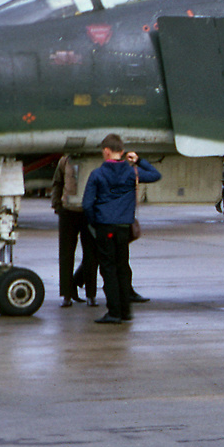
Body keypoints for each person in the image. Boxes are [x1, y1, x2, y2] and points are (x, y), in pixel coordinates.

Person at [80, 134, 160, 324]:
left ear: (106, 151)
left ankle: (114, 311)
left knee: (108, 269)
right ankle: (126, 310)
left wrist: (94, 223)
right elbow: (156, 175)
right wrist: (139, 160)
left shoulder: (97, 174)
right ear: (122, 152)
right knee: (122, 267)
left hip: (105, 226)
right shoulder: (133, 173)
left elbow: (87, 204)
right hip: (124, 227)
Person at [51, 153, 96, 307]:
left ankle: (91, 295)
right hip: (68, 212)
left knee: (91, 255)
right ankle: (66, 295)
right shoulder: (64, 161)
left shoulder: (92, 160)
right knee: (66, 254)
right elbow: (58, 182)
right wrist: (57, 204)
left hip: (89, 212)